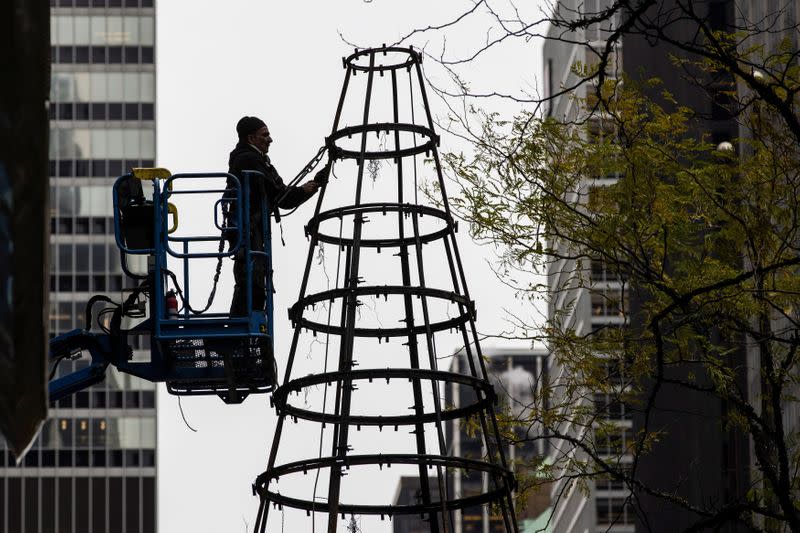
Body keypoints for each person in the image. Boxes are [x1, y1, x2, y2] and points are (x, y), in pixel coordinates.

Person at [225, 116, 328, 316]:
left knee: (254, 279)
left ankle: (247, 322)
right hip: (248, 228)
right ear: (251, 138)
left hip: (249, 227)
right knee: (252, 280)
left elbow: (279, 193)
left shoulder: (255, 160)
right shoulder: (248, 160)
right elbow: (280, 195)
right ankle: (245, 324)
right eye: (265, 135)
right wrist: (305, 190)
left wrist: (307, 189)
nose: (270, 139)